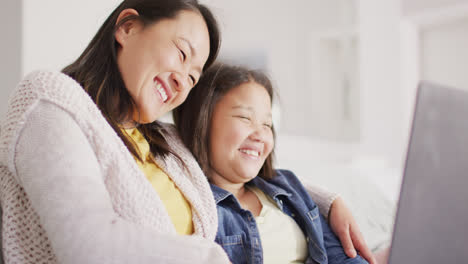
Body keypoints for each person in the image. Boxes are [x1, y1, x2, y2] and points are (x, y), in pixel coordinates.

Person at [0, 1, 372, 263]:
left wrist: (328, 202)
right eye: (181, 53)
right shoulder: (52, 100)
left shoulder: (167, 143)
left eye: (194, 76)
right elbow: (89, 247)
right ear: (127, 27)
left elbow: (234, 169)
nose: (184, 81)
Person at [173, 63, 375, 264]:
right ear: (202, 120)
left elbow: (340, 256)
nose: (260, 135)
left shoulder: (287, 187)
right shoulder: (199, 210)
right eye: (245, 118)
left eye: (267, 124)